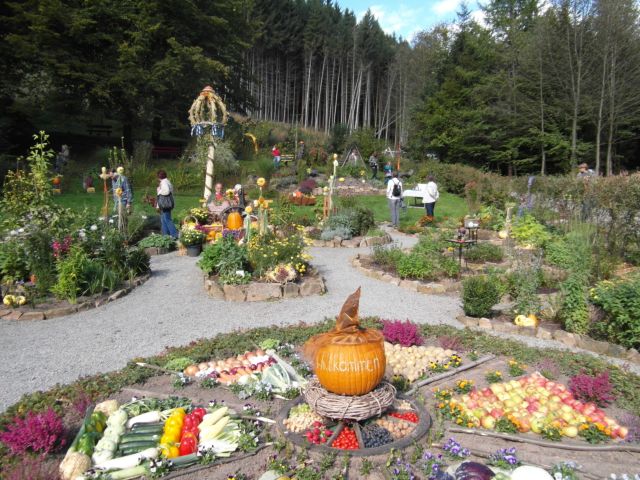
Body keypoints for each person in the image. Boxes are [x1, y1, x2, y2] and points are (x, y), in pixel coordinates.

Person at [156, 170, 178, 239]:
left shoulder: (164, 182)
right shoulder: (167, 181)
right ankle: (165, 235)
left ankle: (175, 235)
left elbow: (166, 191)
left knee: (167, 219)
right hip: (167, 203)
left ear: (159, 177)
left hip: (165, 204)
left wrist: (159, 191)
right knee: (163, 219)